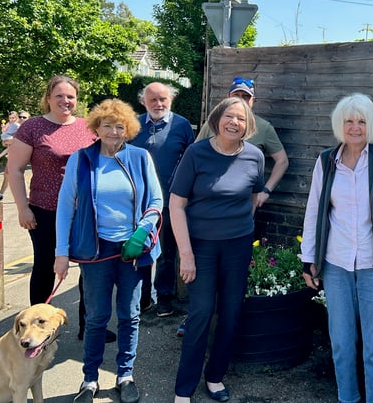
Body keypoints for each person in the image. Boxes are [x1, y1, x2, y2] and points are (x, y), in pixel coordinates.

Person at [300, 93, 373, 403]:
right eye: (349, 120)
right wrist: (308, 259)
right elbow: (314, 211)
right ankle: (347, 398)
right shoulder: (326, 160)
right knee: (341, 342)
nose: (355, 127)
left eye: (362, 121)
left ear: (371, 124)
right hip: (336, 264)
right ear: (340, 124)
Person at [54, 98, 163, 403]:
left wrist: (142, 231)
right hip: (96, 251)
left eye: (119, 126)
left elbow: (156, 201)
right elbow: (65, 208)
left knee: (129, 315)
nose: (113, 132)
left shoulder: (140, 158)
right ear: (96, 128)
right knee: (97, 317)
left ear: (128, 129)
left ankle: (125, 375)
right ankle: (89, 380)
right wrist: (61, 253)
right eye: (107, 126)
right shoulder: (82, 159)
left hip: (132, 251)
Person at [170, 97, 264, 403]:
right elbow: (176, 204)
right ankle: (184, 387)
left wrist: (239, 226)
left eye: (241, 118)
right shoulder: (196, 154)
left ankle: (215, 377)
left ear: (248, 125)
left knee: (231, 312)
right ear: (217, 119)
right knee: (200, 312)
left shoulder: (254, 156)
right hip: (201, 247)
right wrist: (186, 254)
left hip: (238, 246)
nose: (234, 123)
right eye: (229, 116)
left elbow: (252, 196)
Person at [7, 76, 97, 305]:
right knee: (44, 267)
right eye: (59, 95)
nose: (65, 101)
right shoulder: (33, 127)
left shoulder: (87, 127)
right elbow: (14, 170)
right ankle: (37, 330)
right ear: (48, 98)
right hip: (46, 210)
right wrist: (23, 208)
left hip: (82, 210)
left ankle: (89, 328)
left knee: (89, 268)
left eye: (70, 96)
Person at [130, 82, 195, 317]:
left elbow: (191, 161)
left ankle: (165, 298)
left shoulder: (182, 125)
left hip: (170, 201)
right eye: (153, 100)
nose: (158, 104)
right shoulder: (133, 125)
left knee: (167, 251)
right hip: (138, 202)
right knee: (139, 249)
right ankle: (143, 298)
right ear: (143, 102)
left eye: (163, 99)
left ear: (171, 100)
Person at [196, 76, 288, 207]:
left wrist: (266, 191)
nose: (241, 99)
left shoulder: (263, 127)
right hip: (207, 197)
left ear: (252, 101)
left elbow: (282, 161)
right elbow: (194, 154)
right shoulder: (213, 122)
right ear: (228, 97)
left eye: (246, 96)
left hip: (244, 201)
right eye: (236, 95)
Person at [0, 110, 30, 200]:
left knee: (17, 175)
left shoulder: (25, 129)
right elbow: (7, 143)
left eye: (24, 117)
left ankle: (27, 196)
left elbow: (11, 142)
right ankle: (0, 194)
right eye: (21, 117)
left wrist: (1, 153)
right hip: (13, 154)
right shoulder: (17, 128)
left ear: (28, 119)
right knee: (7, 175)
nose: (22, 118)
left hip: (19, 156)